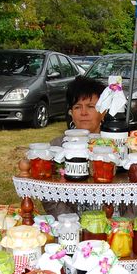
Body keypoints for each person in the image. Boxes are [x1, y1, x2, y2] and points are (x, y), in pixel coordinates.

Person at [43, 76, 106, 217]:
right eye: (77, 107)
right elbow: (47, 194)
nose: (83, 113)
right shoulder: (56, 147)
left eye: (91, 106)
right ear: (71, 113)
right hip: (67, 227)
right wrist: (72, 222)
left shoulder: (116, 146)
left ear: (104, 112)